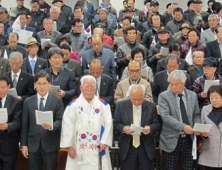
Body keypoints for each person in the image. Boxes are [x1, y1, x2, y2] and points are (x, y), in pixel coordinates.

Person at [60, 75, 113, 170]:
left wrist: (104, 141)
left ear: (95, 87)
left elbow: (108, 124)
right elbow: (67, 125)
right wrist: (69, 146)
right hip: (78, 148)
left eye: (92, 86)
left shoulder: (103, 105)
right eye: (86, 87)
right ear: (81, 88)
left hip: (98, 147)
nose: (89, 89)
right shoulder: (73, 105)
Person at [21, 71, 64, 170]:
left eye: (44, 83)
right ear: (34, 85)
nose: (42, 87)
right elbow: (24, 125)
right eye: (39, 84)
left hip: (50, 144)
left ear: (49, 85)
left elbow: (60, 120)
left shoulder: (57, 100)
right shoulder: (28, 101)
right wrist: (24, 144)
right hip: (33, 145)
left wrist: (52, 126)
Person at [158, 70, 201, 170]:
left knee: (188, 167)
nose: (173, 87)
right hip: (171, 140)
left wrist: (197, 126)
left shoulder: (192, 95)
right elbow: (165, 116)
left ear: (184, 83)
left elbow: (196, 114)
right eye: (171, 84)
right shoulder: (164, 96)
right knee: (169, 168)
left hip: (188, 139)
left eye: (176, 84)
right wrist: (183, 127)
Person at [114, 84, 160, 170]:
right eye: (134, 99)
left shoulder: (151, 106)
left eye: (140, 99)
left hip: (145, 145)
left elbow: (157, 124)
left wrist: (150, 128)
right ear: (130, 96)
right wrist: (123, 128)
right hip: (128, 145)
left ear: (143, 96)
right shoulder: (121, 106)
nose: (137, 102)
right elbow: (116, 124)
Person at [0, 74, 22, 170]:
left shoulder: (15, 102)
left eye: (3, 87)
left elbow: (18, 122)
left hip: (8, 145)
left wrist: (8, 126)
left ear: (9, 87)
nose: (0, 90)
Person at [198, 85, 222, 170]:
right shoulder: (205, 109)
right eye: (211, 98)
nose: (214, 100)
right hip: (210, 150)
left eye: (216, 97)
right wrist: (204, 135)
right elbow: (202, 128)